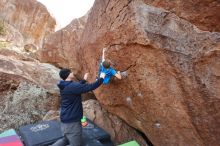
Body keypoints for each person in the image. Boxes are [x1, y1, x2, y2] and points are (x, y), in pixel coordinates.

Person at [52, 68, 106, 146]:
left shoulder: (63, 84)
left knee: (66, 139)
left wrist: (84, 80)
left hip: (65, 120)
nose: (72, 73)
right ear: (68, 75)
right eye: (70, 72)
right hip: (72, 122)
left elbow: (75, 87)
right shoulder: (73, 86)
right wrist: (102, 78)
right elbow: (91, 87)